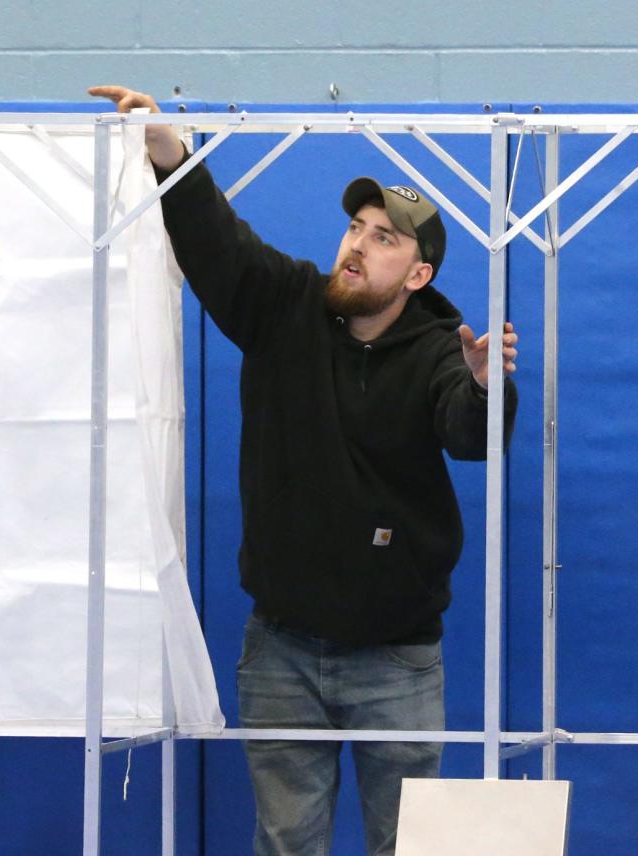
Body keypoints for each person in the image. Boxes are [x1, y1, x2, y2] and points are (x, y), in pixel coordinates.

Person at [87, 86, 518, 856]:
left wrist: (486, 386)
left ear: (417, 277)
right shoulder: (285, 307)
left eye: (384, 238)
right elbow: (219, 244)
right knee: (286, 844)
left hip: (398, 658)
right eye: (355, 227)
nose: (357, 244)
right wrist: (167, 154)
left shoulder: (438, 350)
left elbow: (468, 433)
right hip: (281, 649)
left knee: (409, 846)